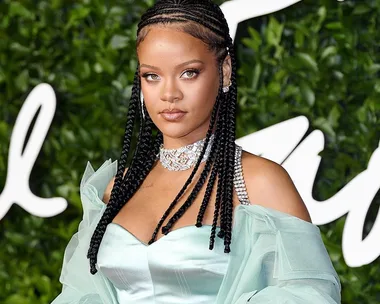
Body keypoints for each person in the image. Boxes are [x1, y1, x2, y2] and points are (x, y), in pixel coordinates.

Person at [51, 0, 341, 303]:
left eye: (188, 72)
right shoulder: (118, 187)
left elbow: (310, 295)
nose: (169, 94)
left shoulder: (258, 181)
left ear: (225, 70)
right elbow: (81, 294)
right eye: (152, 76)